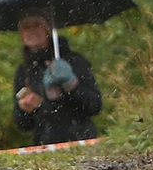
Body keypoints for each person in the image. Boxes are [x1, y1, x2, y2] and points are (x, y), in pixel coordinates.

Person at [13, 9, 102, 146]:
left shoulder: (73, 61)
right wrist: (26, 109)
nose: (32, 31)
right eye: (26, 27)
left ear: (48, 29)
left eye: (37, 24)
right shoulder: (24, 71)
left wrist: (71, 84)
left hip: (82, 140)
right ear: (21, 34)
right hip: (45, 146)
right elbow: (23, 124)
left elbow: (94, 106)